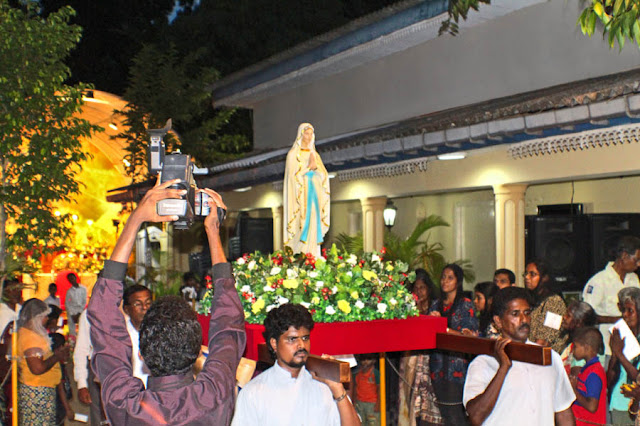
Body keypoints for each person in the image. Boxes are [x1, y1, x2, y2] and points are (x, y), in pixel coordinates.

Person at [87, 180, 246, 425]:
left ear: (140, 354)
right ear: (197, 354)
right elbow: (228, 328)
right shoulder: (214, 395)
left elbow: (102, 317)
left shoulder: (125, 405)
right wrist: (213, 231)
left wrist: (135, 219)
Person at [232, 303, 360, 426]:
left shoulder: (324, 386)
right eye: (292, 339)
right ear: (274, 344)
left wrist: (338, 389)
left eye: (305, 338)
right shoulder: (254, 392)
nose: (301, 345)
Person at [463, 287, 576, 425]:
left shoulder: (549, 358)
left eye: (527, 313)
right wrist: (503, 368)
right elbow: (475, 417)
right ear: (498, 321)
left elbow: (563, 412)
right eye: (515, 314)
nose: (524, 320)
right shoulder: (483, 363)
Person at [428, 264, 478, 425]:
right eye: (443, 277)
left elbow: (467, 336)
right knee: (443, 414)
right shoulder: (436, 304)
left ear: (458, 281)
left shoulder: (465, 304)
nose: (445, 281)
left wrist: (443, 327)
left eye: (450, 277)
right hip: (437, 365)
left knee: (456, 414)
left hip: (456, 367)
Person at [583, 236, 640, 357]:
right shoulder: (599, 281)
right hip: (607, 348)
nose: (639, 264)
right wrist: (616, 320)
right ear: (624, 256)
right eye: (637, 260)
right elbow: (586, 316)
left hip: (633, 346)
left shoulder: (634, 279)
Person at [398, 269, 441, 426]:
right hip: (410, 357)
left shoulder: (435, 307)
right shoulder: (407, 307)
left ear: (429, 289)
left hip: (429, 360)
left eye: (422, 288)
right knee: (408, 395)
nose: (419, 292)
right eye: (416, 288)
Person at [17, 298, 70, 426]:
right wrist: (57, 357)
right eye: (44, 316)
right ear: (36, 317)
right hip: (37, 392)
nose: (47, 320)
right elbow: (37, 368)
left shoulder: (31, 334)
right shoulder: (31, 338)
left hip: (41, 389)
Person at [283, 123, 330, 258]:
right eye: (306, 133)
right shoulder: (293, 155)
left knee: (314, 222)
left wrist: (316, 170)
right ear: (301, 134)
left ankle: (313, 254)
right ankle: (300, 254)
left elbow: (324, 175)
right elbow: (292, 177)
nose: (308, 137)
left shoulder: (314, 154)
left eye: (311, 134)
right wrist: (309, 168)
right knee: (301, 224)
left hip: (314, 193)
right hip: (300, 197)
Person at [607, 287, 640, 424]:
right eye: (623, 311)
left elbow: (637, 377)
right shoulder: (622, 336)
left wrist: (620, 354)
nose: (625, 315)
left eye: (630, 311)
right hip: (619, 402)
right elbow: (609, 379)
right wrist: (615, 352)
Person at [524, 259, 567, 354]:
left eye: (532, 274)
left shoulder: (554, 302)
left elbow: (544, 341)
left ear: (545, 278)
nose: (527, 277)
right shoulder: (530, 300)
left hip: (547, 358)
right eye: (526, 273)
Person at [73, 309, 107, 426]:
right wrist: (82, 384)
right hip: (97, 371)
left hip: (124, 371)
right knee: (99, 418)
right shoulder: (89, 313)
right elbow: (81, 349)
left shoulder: (126, 308)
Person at [569, 327, 607, 426]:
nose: (573, 351)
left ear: (586, 348)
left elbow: (592, 406)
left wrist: (574, 391)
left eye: (576, 347)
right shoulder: (587, 369)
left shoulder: (594, 373)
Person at [122, 284, 152, 386]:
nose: (144, 308)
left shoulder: (161, 332)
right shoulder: (120, 336)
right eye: (138, 304)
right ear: (126, 309)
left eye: (148, 303)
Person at [558, 300, 598, 369]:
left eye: (568, 316)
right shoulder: (571, 340)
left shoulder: (582, 347)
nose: (564, 317)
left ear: (579, 323)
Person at [49, 333, 74, 425]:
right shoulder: (57, 366)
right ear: (59, 348)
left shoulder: (54, 363)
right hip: (58, 406)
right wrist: (68, 409)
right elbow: (60, 388)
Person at [352, 353, 380, 426]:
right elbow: (355, 387)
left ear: (374, 360)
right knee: (360, 422)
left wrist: (378, 404)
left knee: (373, 423)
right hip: (360, 403)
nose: (366, 362)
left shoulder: (376, 373)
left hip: (372, 404)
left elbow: (379, 389)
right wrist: (354, 401)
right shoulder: (357, 373)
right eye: (363, 359)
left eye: (368, 359)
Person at [65, 273, 86, 337]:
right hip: (72, 311)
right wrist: (72, 314)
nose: (72, 280)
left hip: (80, 310)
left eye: (72, 278)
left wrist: (79, 312)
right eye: (70, 279)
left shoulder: (83, 289)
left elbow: (84, 301)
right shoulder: (69, 291)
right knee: (71, 327)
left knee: (82, 326)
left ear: (76, 278)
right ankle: (72, 340)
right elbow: (67, 304)